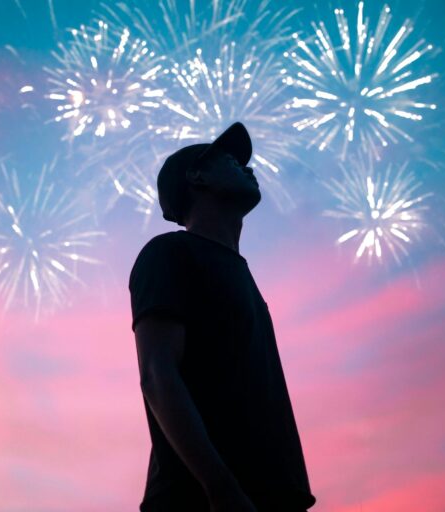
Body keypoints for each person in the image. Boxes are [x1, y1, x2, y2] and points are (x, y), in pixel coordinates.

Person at [128, 122, 316, 511]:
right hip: (200, 499)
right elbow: (157, 374)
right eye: (228, 160)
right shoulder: (169, 253)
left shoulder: (243, 275)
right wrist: (221, 488)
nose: (247, 168)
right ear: (197, 177)